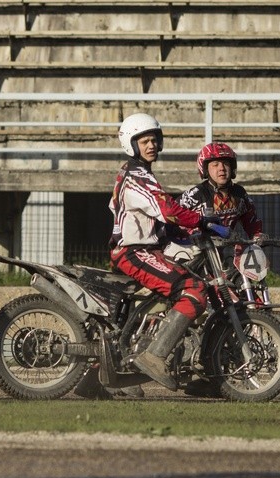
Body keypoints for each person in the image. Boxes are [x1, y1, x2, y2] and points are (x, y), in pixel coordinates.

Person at [108, 112, 207, 391]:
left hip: (143, 247)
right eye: (145, 141)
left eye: (155, 140)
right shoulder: (137, 176)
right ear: (131, 144)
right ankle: (155, 356)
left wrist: (186, 231)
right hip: (134, 251)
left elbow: (157, 217)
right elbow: (167, 209)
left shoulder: (138, 174)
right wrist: (202, 220)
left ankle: (106, 375)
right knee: (194, 289)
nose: (151, 145)